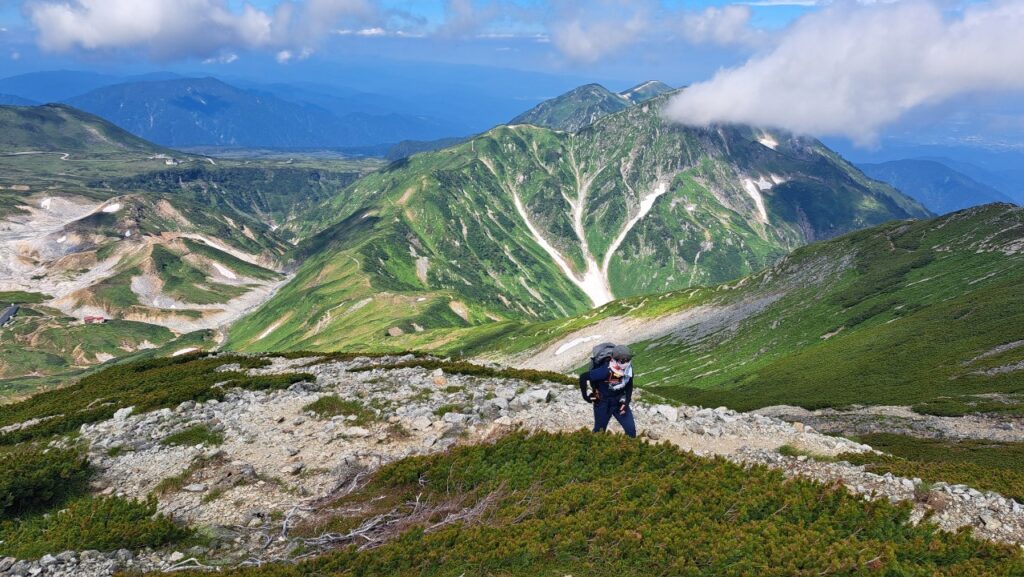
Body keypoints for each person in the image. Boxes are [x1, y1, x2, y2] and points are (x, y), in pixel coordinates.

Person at [579, 344, 636, 438]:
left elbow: (629, 385)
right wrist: (585, 396)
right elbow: (583, 377)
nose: (626, 362)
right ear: (615, 359)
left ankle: (626, 450)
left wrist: (626, 402)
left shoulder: (628, 370)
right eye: (623, 360)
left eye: (628, 359)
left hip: (619, 402)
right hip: (602, 402)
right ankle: (593, 450)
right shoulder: (605, 371)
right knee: (599, 432)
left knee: (631, 431)